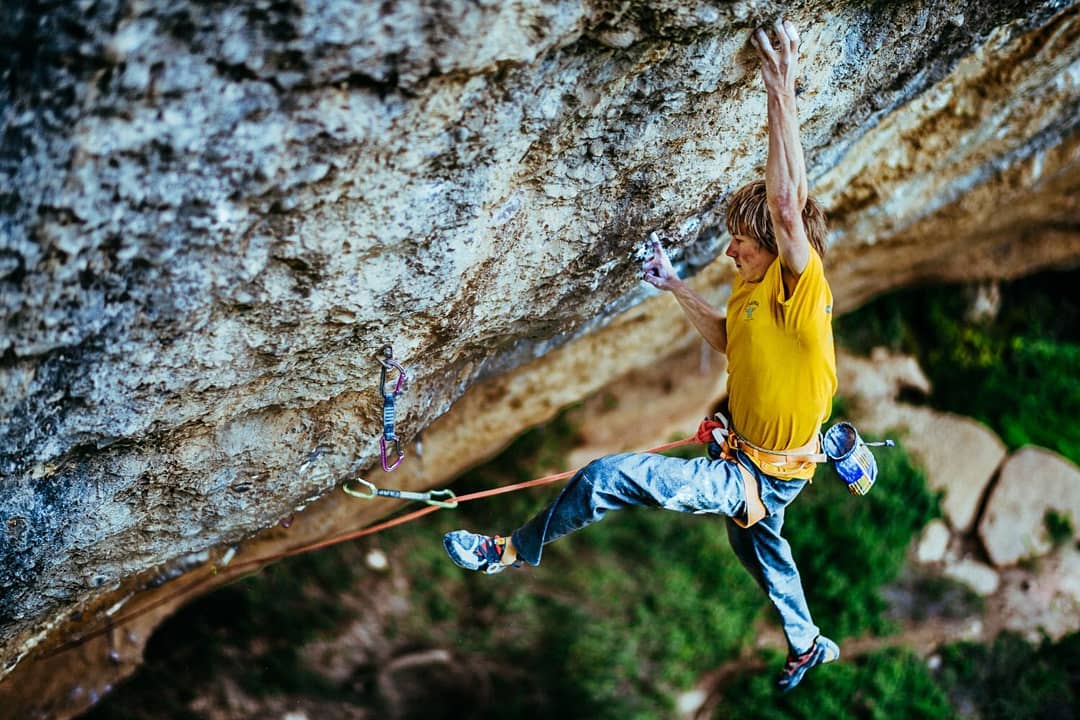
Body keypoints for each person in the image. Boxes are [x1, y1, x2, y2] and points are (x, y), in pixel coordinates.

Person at [443, 19, 839, 692]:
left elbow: (787, 205)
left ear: (776, 248)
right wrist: (675, 285)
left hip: (761, 472)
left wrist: (780, 82)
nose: (731, 251)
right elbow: (725, 338)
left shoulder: (801, 296)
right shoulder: (748, 298)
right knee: (758, 544)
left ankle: (510, 550)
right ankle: (808, 641)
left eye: (743, 242)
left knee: (604, 479)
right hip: (758, 462)